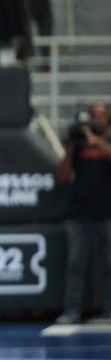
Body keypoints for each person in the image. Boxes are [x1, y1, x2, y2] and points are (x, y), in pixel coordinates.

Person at [56, 101, 111, 324]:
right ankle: (72, 311)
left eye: (102, 114)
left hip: (107, 212)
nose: (97, 118)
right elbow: (62, 176)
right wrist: (70, 148)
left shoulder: (107, 142)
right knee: (75, 263)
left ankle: (108, 309)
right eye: (93, 114)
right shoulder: (78, 145)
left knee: (109, 263)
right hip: (79, 213)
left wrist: (98, 142)